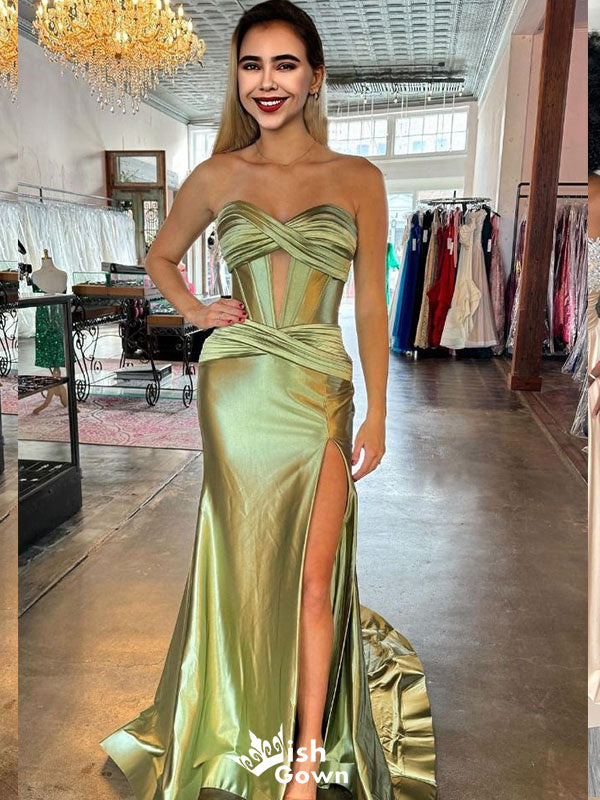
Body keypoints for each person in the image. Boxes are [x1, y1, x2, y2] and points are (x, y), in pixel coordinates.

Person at [100, 2, 436, 799]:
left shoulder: (359, 178)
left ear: (315, 76)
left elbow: (369, 305)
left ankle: (306, 761)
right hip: (238, 387)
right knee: (243, 565)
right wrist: (196, 309)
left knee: (315, 580)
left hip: (317, 386)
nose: (267, 82)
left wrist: (379, 409)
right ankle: (237, 719)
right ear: (238, 77)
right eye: (252, 65)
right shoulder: (219, 175)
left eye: (285, 64)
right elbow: (160, 254)